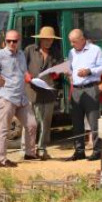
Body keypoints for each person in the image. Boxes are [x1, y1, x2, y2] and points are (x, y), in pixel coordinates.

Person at [0, 30, 38, 167]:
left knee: (32, 124)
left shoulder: (22, 54)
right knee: (3, 128)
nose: (11, 43)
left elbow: (23, 72)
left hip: (21, 96)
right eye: (9, 41)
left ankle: (30, 153)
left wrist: (28, 77)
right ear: (5, 41)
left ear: (19, 41)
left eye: (14, 41)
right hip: (7, 96)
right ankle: (1, 159)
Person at [66, 29, 102, 161]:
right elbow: (71, 68)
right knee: (77, 122)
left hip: (90, 88)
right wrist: (69, 74)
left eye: (74, 41)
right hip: (76, 89)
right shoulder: (71, 52)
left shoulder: (95, 50)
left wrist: (89, 71)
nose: (72, 44)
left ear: (82, 39)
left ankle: (97, 151)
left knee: (94, 121)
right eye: (70, 42)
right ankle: (79, 151)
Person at [23, 26, 62, 160]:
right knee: (31, 122)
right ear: (40, 39)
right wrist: (26, 75)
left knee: (46, 123)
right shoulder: (30, 50)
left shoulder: (56, 52)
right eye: (45, 39)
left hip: (49, 91)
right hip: (32, 91)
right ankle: (28, 150)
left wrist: (56, 73)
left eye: (50, 39)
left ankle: (42, 149)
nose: (48, 42)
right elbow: (21, 66)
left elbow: (59, 70)